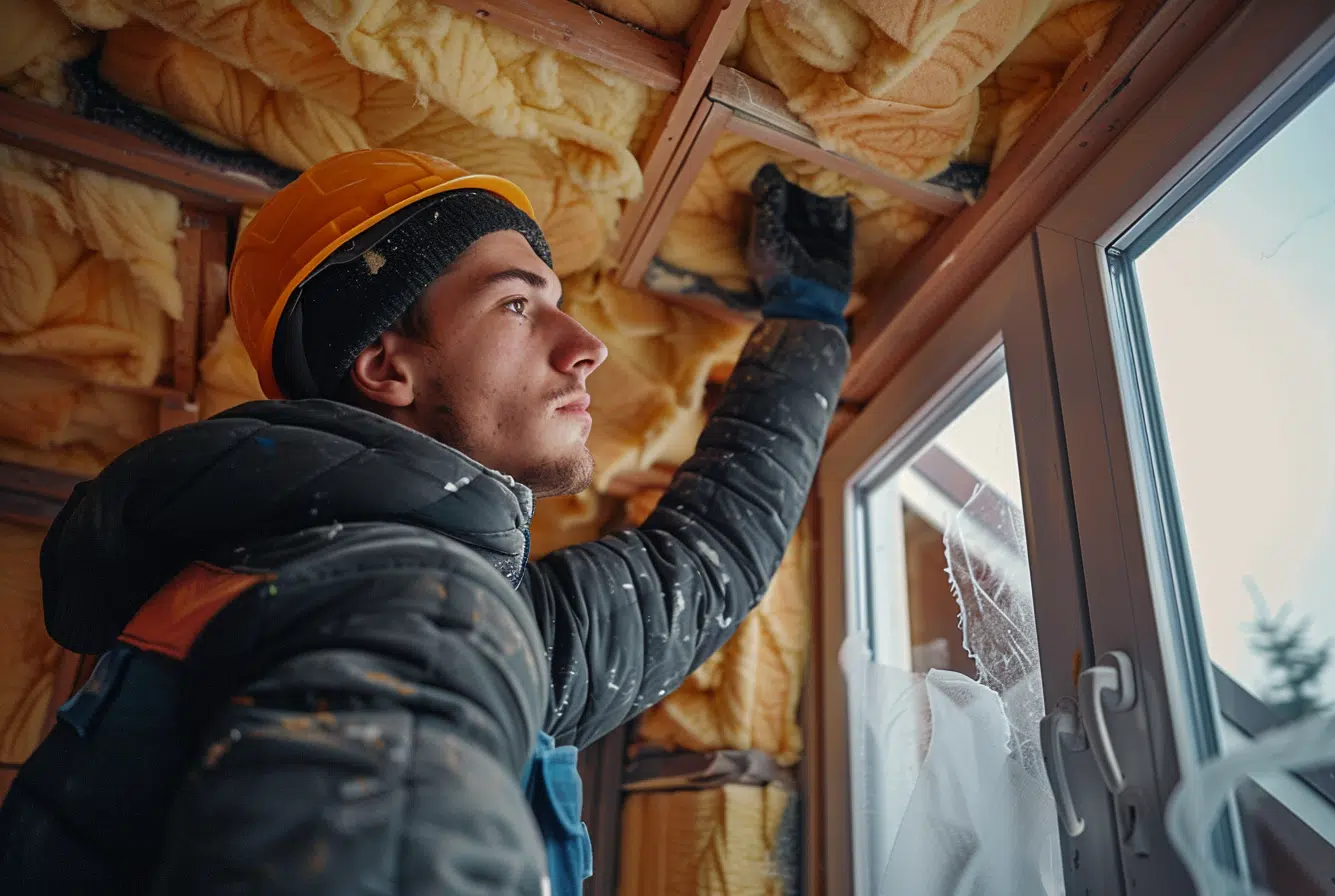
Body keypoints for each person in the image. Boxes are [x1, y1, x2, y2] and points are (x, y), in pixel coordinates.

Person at [0, 149, 854, 895]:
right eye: (518, 306)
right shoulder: (415, 605)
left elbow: (705, 562)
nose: (585, 343)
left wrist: (808, 325)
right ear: (384, 367)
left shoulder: (313, 578)